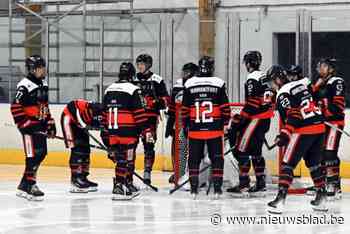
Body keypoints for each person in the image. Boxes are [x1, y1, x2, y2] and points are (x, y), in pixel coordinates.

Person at [266, 65, 327, 214]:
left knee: (287, 164)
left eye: (271, 82)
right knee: (314, 164)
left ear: (278, 80)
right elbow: (316, 100)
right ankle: (322, 198)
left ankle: (280, 201)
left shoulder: (283, 93)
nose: (271, 86)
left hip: (303, 130)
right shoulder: (301, 85)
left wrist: (285, 134)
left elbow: (294, 115)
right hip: (319, 127)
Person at [182, 56, 231, 199]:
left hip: (196, 130)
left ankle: (194, 190)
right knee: (217, 158)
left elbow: (184, 109)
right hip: (214, 129)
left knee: (194, 159)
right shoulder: (219, 83)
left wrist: (185, 125)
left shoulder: (189, 83)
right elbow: (225, 108)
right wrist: (226, 123)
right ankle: (217, 189)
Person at [227, 51, 274, 196]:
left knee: (242, 150)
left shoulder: (252, 78)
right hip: (265, 119)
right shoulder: (265, 77)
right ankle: (260, 183)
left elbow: (252, 102)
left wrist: (241, 119)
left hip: (256, 119)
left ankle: (243, 184)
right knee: (256, 151)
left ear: (248, 63)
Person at [10, 55, 56, 201]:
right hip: (28, 127)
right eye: (41, 67)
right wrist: (25, 124)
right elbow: (15, 106)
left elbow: (44, 106)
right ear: (33, 69)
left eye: (44, 67)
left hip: (39, 125)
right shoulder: (25, 85)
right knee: (33, 154)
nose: (44, 70)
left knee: (41, 153)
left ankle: (24, 184)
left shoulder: (43, 83)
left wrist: (50, 123)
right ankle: (30, 184)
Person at [103, 62, 151, 200]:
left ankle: (126, 183)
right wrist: (146, 130)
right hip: (128, 132)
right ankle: (120, 185)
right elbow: (139, 114)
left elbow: (104, 113)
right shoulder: (133, 89)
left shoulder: (109, 89)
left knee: (121, 159)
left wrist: (105, 134)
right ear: (132, 75)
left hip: (112, 131)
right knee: (127, 159)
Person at [133, 54, 170, 185]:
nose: (139, 66)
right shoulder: (133, 78)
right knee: (131, 144)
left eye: (142, 64)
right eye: (138, 64)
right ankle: (128, 170)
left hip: (150, 118)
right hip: (134, 118)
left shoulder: (157, 80)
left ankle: (147, 172)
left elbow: (166, 100)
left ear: (148, 65)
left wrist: (154, 102)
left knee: (149, 145)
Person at [312, 58, 345, 200]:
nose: (320, 68)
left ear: (331, 68)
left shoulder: (337, 81)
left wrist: (323, 109)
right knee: (321, 153)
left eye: (323, 66)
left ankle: (333, 185)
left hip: (334, 123)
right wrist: (315, 87)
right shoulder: (320, 83)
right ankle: (328, 182)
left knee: (329, 153)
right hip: (323, 123)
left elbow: (338, 106)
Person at [166, 62, 198, 185]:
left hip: (195, 124)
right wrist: (170, 124)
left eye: (187, 73)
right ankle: (178, 172)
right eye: (184, 72)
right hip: (179, 124)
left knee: (194, 150)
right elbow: (172, 107)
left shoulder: (197, 84)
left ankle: (193, 173)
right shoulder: (178, 85)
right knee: (179, 149)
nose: (185, 75)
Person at [61, 99, 103, 193]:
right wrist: (84, 126)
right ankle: (75, 180)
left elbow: (105, 133)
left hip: (81, 125)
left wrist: (110, 148)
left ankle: (83, 177)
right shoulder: (86, 108)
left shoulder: (105, 116)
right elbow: (81, 121)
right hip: (69, 120)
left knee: (86, 149)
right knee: (78, 148)